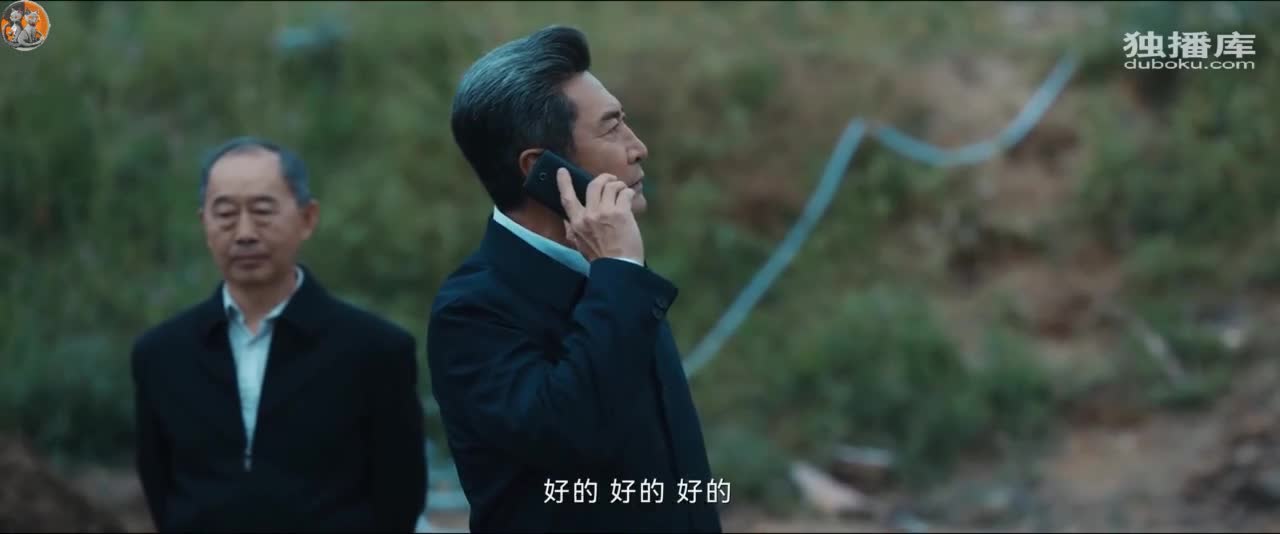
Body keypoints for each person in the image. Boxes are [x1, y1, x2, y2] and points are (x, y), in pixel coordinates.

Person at [427, 25, 723, 533]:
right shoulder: (473, 310)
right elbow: (574, 434)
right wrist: (618, 273)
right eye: (612, 129)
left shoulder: (612, 274)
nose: (638, 148)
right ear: (542, 168)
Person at [130, 137, 427, 532]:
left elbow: (400, 496)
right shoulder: (162, 356)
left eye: (263, 211)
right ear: (204, 224)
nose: (244, 233)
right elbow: (161, 489)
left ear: (307, 218)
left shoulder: (375, 351)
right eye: (226, 214)